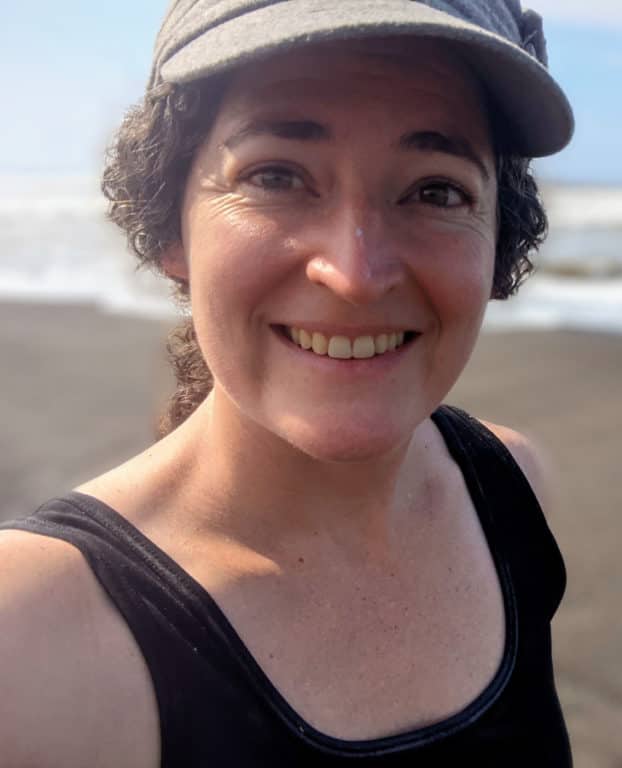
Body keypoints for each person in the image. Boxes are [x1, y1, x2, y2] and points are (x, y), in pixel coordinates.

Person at [0, 1, 574, 765]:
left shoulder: (511, 488)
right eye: (276, 175)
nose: (355, 274)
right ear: (170, 223)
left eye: (436, 190)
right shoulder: (32, 633)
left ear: (500, 237)